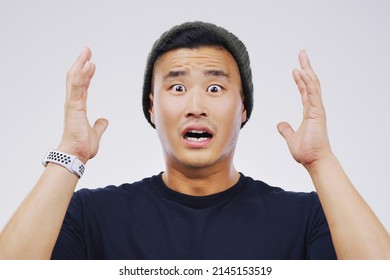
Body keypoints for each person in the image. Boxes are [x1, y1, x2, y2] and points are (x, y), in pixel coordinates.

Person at [0, 21, 389, 260]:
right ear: (152, 108)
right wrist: (69, 155)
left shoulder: (308, 218)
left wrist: (322, 162)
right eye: (179, 86)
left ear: (243, 110)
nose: (196, 105)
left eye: (216, 87)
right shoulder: (89, 215)